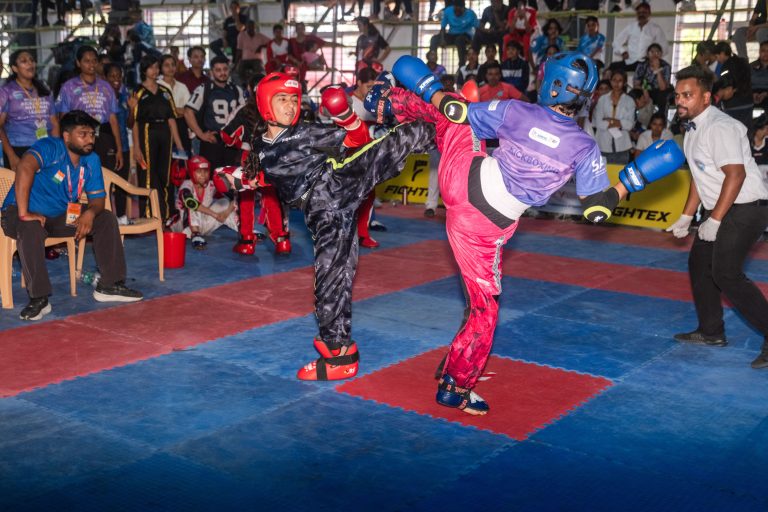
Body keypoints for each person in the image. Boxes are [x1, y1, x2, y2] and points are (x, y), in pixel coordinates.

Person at [366, 52, 683, 414]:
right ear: (585, 98)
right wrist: (634, 178)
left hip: (460, 177)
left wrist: (432, 92)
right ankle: (455, 387)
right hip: (482, 226)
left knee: (452, 110)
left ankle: (387, 101)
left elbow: (459, 114)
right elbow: (597, 210)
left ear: (552, 85)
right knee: (484, 312)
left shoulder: (515, 110)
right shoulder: (584, 147)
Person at [218, 74, 435, 381]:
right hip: (323, 213)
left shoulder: (305, 132)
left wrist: (345, 116)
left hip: (335, 184)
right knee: (332, 279)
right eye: (282, 99)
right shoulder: (260, 145)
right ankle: (340, 354)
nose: (291, 106)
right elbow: (266, 175)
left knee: (386, 147)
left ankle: (451, 123)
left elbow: (357, 140)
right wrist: (235, 179)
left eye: (294, 99)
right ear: (266, 103)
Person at [665, 65, 768, 369]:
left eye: (688, 95)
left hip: (747, 207)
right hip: (725, 207)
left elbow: (735, 176)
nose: (680, 101)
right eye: (677, 95)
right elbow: (700, 176)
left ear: (706, 97)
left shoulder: (719, 127)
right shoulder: (692, 129)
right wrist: (687, 216)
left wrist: (714, 220)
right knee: (699, 263)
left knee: (726, 273)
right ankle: (711, 331)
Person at [0, 110, 143, 321]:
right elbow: (24, 167)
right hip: (18, 212)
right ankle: (39, 299)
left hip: (59, 215)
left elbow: (97, 199)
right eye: (82, 134)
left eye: (91, 134)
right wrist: (24, 213)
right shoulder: (50, 147)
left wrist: (90, 213)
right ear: (67, 136)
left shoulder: (91, 160)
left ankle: (109, 285)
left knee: (105, 218)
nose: (90, 139)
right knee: (31, 227)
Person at [130, 55, 185, 222]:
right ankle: (148, 215)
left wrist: (179, 146)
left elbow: (172, 119)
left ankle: (165, 214)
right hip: (147, 132)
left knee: (165, 175)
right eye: (151, 67)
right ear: (144, 70)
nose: (155, 70)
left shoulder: (165, 91)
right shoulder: (138, 92)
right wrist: (137, 147)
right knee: (147, 175)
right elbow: (134, 122)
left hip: (165, 134)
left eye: (156, 67)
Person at [56, 45, 124, 173]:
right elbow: (63, 119)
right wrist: (65, 146)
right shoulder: (68, 87)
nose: (91, 64)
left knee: (106, 175)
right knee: (82, 175)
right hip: (80, 137)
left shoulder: (106, 86)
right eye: (87, 61)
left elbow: (113, 120)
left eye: (94, 60)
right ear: (78, 63)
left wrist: (119, 149)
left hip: (104, 136)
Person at [184, 55, 247, 171]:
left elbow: (246, 113)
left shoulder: (236, 90)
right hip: (211, 141)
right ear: (212, 71)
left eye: (225, 69)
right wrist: (201, 134)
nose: (222, 73)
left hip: (232, 143)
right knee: (210, 178)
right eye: (218, 70)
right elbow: (188, 112)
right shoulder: (204, 88)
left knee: (232, 176)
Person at [0, 50, 59, 172]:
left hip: (46, 147)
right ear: (14, 68)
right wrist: (11, 156)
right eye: (24, 61)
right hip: (19, 149)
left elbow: (54, 123)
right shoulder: (6, 91)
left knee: (47, 183)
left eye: (32, 60)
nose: (30, 64)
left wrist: (57, 149)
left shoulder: (44, 89)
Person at [169, 155, 238, 249]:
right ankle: (195, 235)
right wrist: (215, 215)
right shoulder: (186, 185)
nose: (203, 175)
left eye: (205, 171)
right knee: (193, 204)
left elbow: (235, 197)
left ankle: (243, 230)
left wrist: (226, 213)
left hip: (202, 225)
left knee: (224, 202)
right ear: (191, 172)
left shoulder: (211, 185)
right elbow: (190, 202)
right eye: (199, 171)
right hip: (183, 227)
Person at [103, 63, 131, 222]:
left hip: (124, 146)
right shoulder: (101, 97)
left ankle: (121, 217)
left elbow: (130, 124)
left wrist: (132, 110)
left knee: (122, 184)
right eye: (112, 76)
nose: (116, 79)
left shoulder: (125, 96)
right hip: (106, 146)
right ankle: (107, 218)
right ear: (105, 78)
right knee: (106, 184)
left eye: (119, 76)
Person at [611, 2, 668, 73]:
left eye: (644, 12)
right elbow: (616, 42)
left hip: (647, 63)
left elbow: (664, 47)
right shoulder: (631, 27)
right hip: (631, 61)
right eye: (639, 13)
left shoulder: (655, 29)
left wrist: (653, 57)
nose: (641, 15)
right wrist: (623, 52)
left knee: (663, 68)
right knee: (611, 67)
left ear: (649, 14)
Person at [593, 69, 635, 164]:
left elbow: (629, 125)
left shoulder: (629, 101)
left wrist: (609, 120)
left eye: (620, 80)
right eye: (614, 80)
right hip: (603, 144)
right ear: (611, 81)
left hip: (622, 145)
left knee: (620, 172)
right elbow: (599, 123)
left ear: (624, 83)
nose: (617, 83)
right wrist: (619, 123)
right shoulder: (602, 99)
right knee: (602, 172)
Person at [714, 41, 754, 129]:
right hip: (748, 101)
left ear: (722, 53)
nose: (717, 60)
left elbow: (727, 86)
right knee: (746, 130)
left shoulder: (726, 66)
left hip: (734, 104)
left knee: (734, 131)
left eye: (717, 56)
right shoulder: (743, 62)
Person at [158, 54, 192, 154]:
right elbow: (159, 111)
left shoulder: (182, 86)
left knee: (183, 158)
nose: (171, 68)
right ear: (160, 68)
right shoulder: (157, 86)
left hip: (181, 126)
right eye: (167, 65)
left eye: (173, 64)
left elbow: (189, 110)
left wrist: (171, 110)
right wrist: (178, 110)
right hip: (163, 127)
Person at [430, 0, 479, 66]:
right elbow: (443, 27)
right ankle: (432, 62)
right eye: (455, 11)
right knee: (434, 39)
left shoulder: (471, 14)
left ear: (463, 8)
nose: (457, 13)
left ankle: (462, 64)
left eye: (459, 11)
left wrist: (474, 41)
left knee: (460, 40)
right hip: (452, 35)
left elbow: (477, 29)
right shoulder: (448, 11)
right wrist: (442, 39)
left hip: (465, 35)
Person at [633, 43, 672, 109]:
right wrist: (645, 90)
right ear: (647, 54)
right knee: (633, 94)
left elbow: (663, 87)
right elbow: (636, 85)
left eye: (657, 52)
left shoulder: (666, 66)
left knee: (663, 95)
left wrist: (657, 69)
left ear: (661, 54)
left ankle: (660, 115)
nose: (654, 54)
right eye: (652, 52)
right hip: (643, 89)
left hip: (658, 91)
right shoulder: (642, 65)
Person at [237, 19, 269, 83]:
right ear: (246, 27)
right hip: (245, 59)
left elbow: (270, 42)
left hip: (256, 59)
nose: (250, 28)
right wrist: (236, 62)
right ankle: (244, 84)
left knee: (260, 72)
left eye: (252, 26)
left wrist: (261, 46)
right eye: (248, 26)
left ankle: (258, 84)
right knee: (239, 72)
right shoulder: (241, 35)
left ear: (254, 27)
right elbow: (239, 49)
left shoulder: (260, 36)